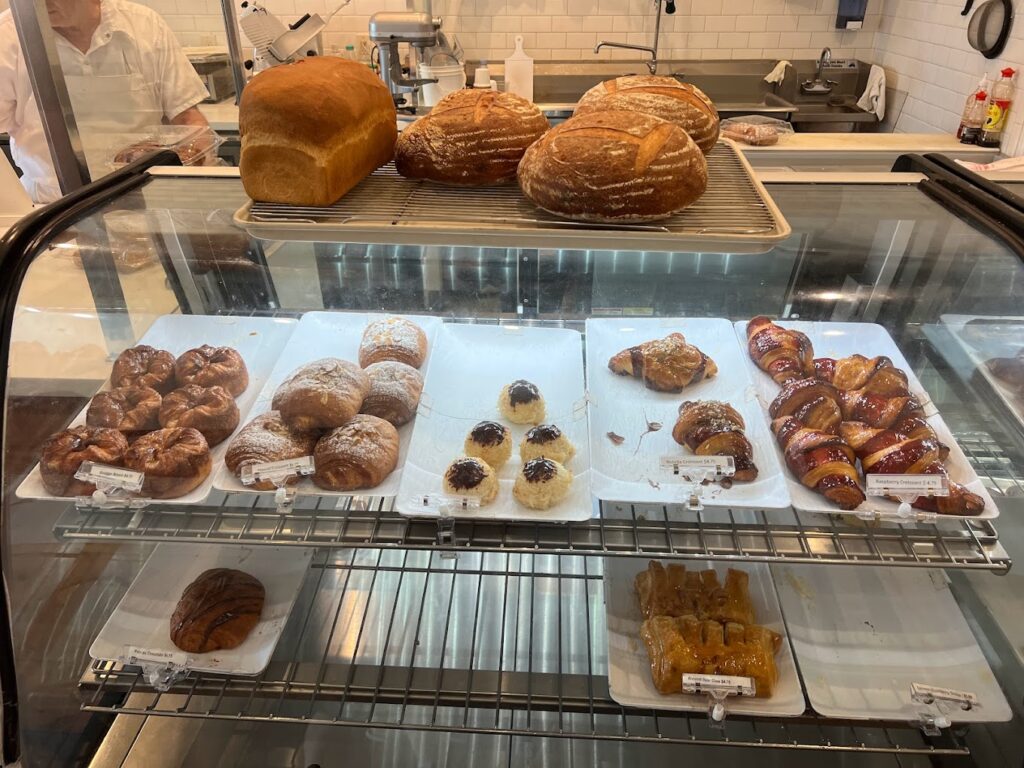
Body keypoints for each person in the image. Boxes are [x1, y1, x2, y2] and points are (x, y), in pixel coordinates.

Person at [0, 0, 212, 203]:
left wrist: (193, 166)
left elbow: (188, 119)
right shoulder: (7, 35)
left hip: (148, 198)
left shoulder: (145, 26)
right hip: (50, 208)